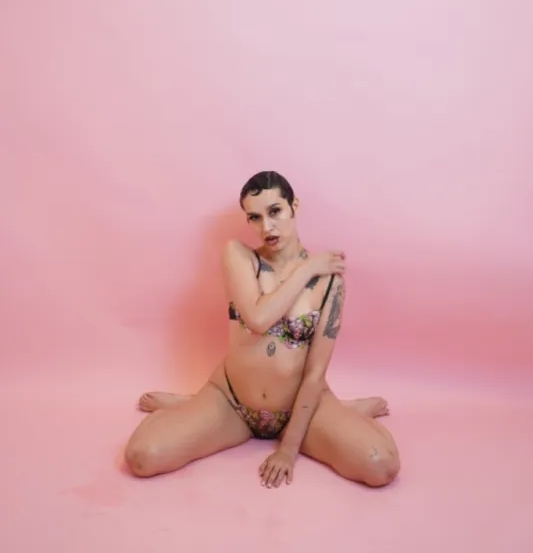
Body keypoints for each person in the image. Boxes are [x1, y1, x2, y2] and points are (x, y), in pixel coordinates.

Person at [124, 171, 400, 488]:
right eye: (254, 217)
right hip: (232, 403)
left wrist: (288, 450)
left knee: (381, 466)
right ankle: (190, 405)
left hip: (300, 408)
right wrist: (307, 268)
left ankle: (344, 410)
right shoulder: (239, 256)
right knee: (142, 457)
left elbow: (315, 373)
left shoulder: (329, 283)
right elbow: (258, 319)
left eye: (275, 211)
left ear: (294, 205)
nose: (266, 227)